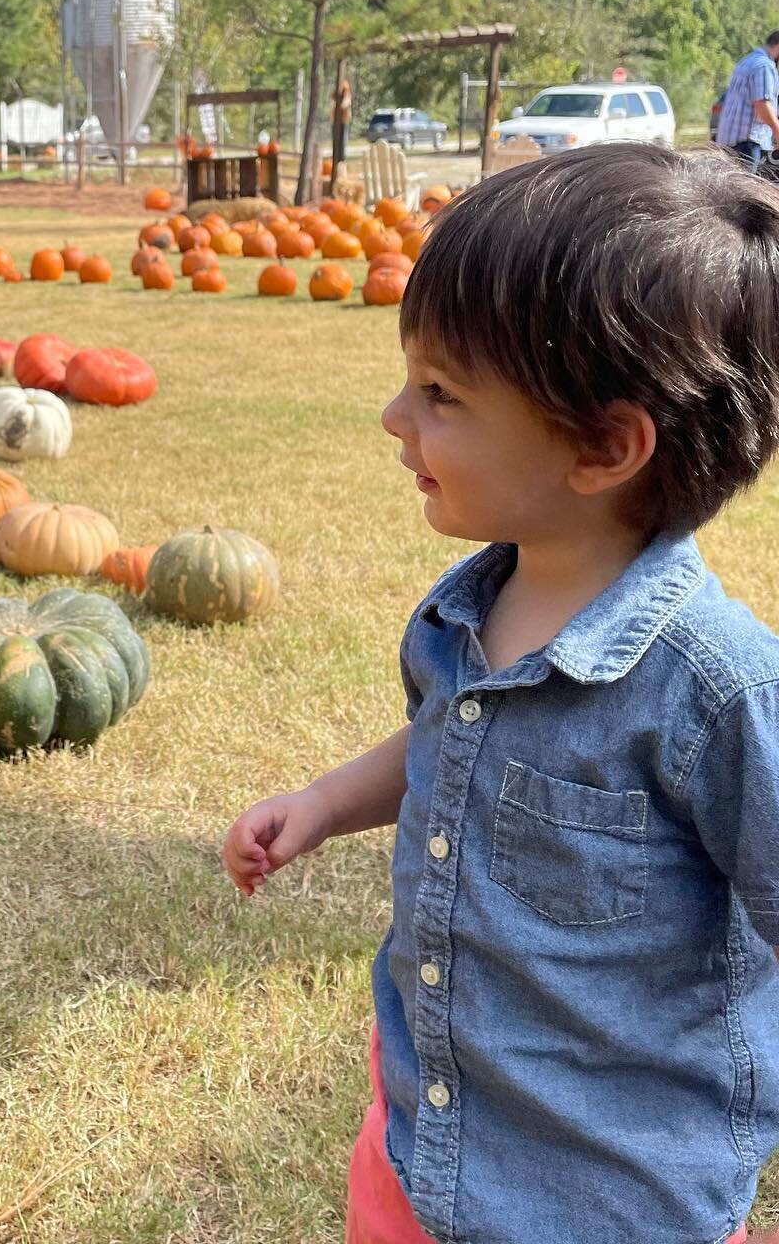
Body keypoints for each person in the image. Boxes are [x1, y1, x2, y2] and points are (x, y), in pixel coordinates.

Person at [223, 142, 779, 1244]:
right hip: (427, 1144)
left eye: (441, 394)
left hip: (607, 1197)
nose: (395, 417)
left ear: (606, 448)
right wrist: (327, 804)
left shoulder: (717, 691)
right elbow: (445, 740)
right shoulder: (466, 610)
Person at [715, 32, 779, 171]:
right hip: (747, 142)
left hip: (729, 140)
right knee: (744, 190)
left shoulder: (746, 61)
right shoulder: (764, 66)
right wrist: (777, 130)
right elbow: (762, 105)